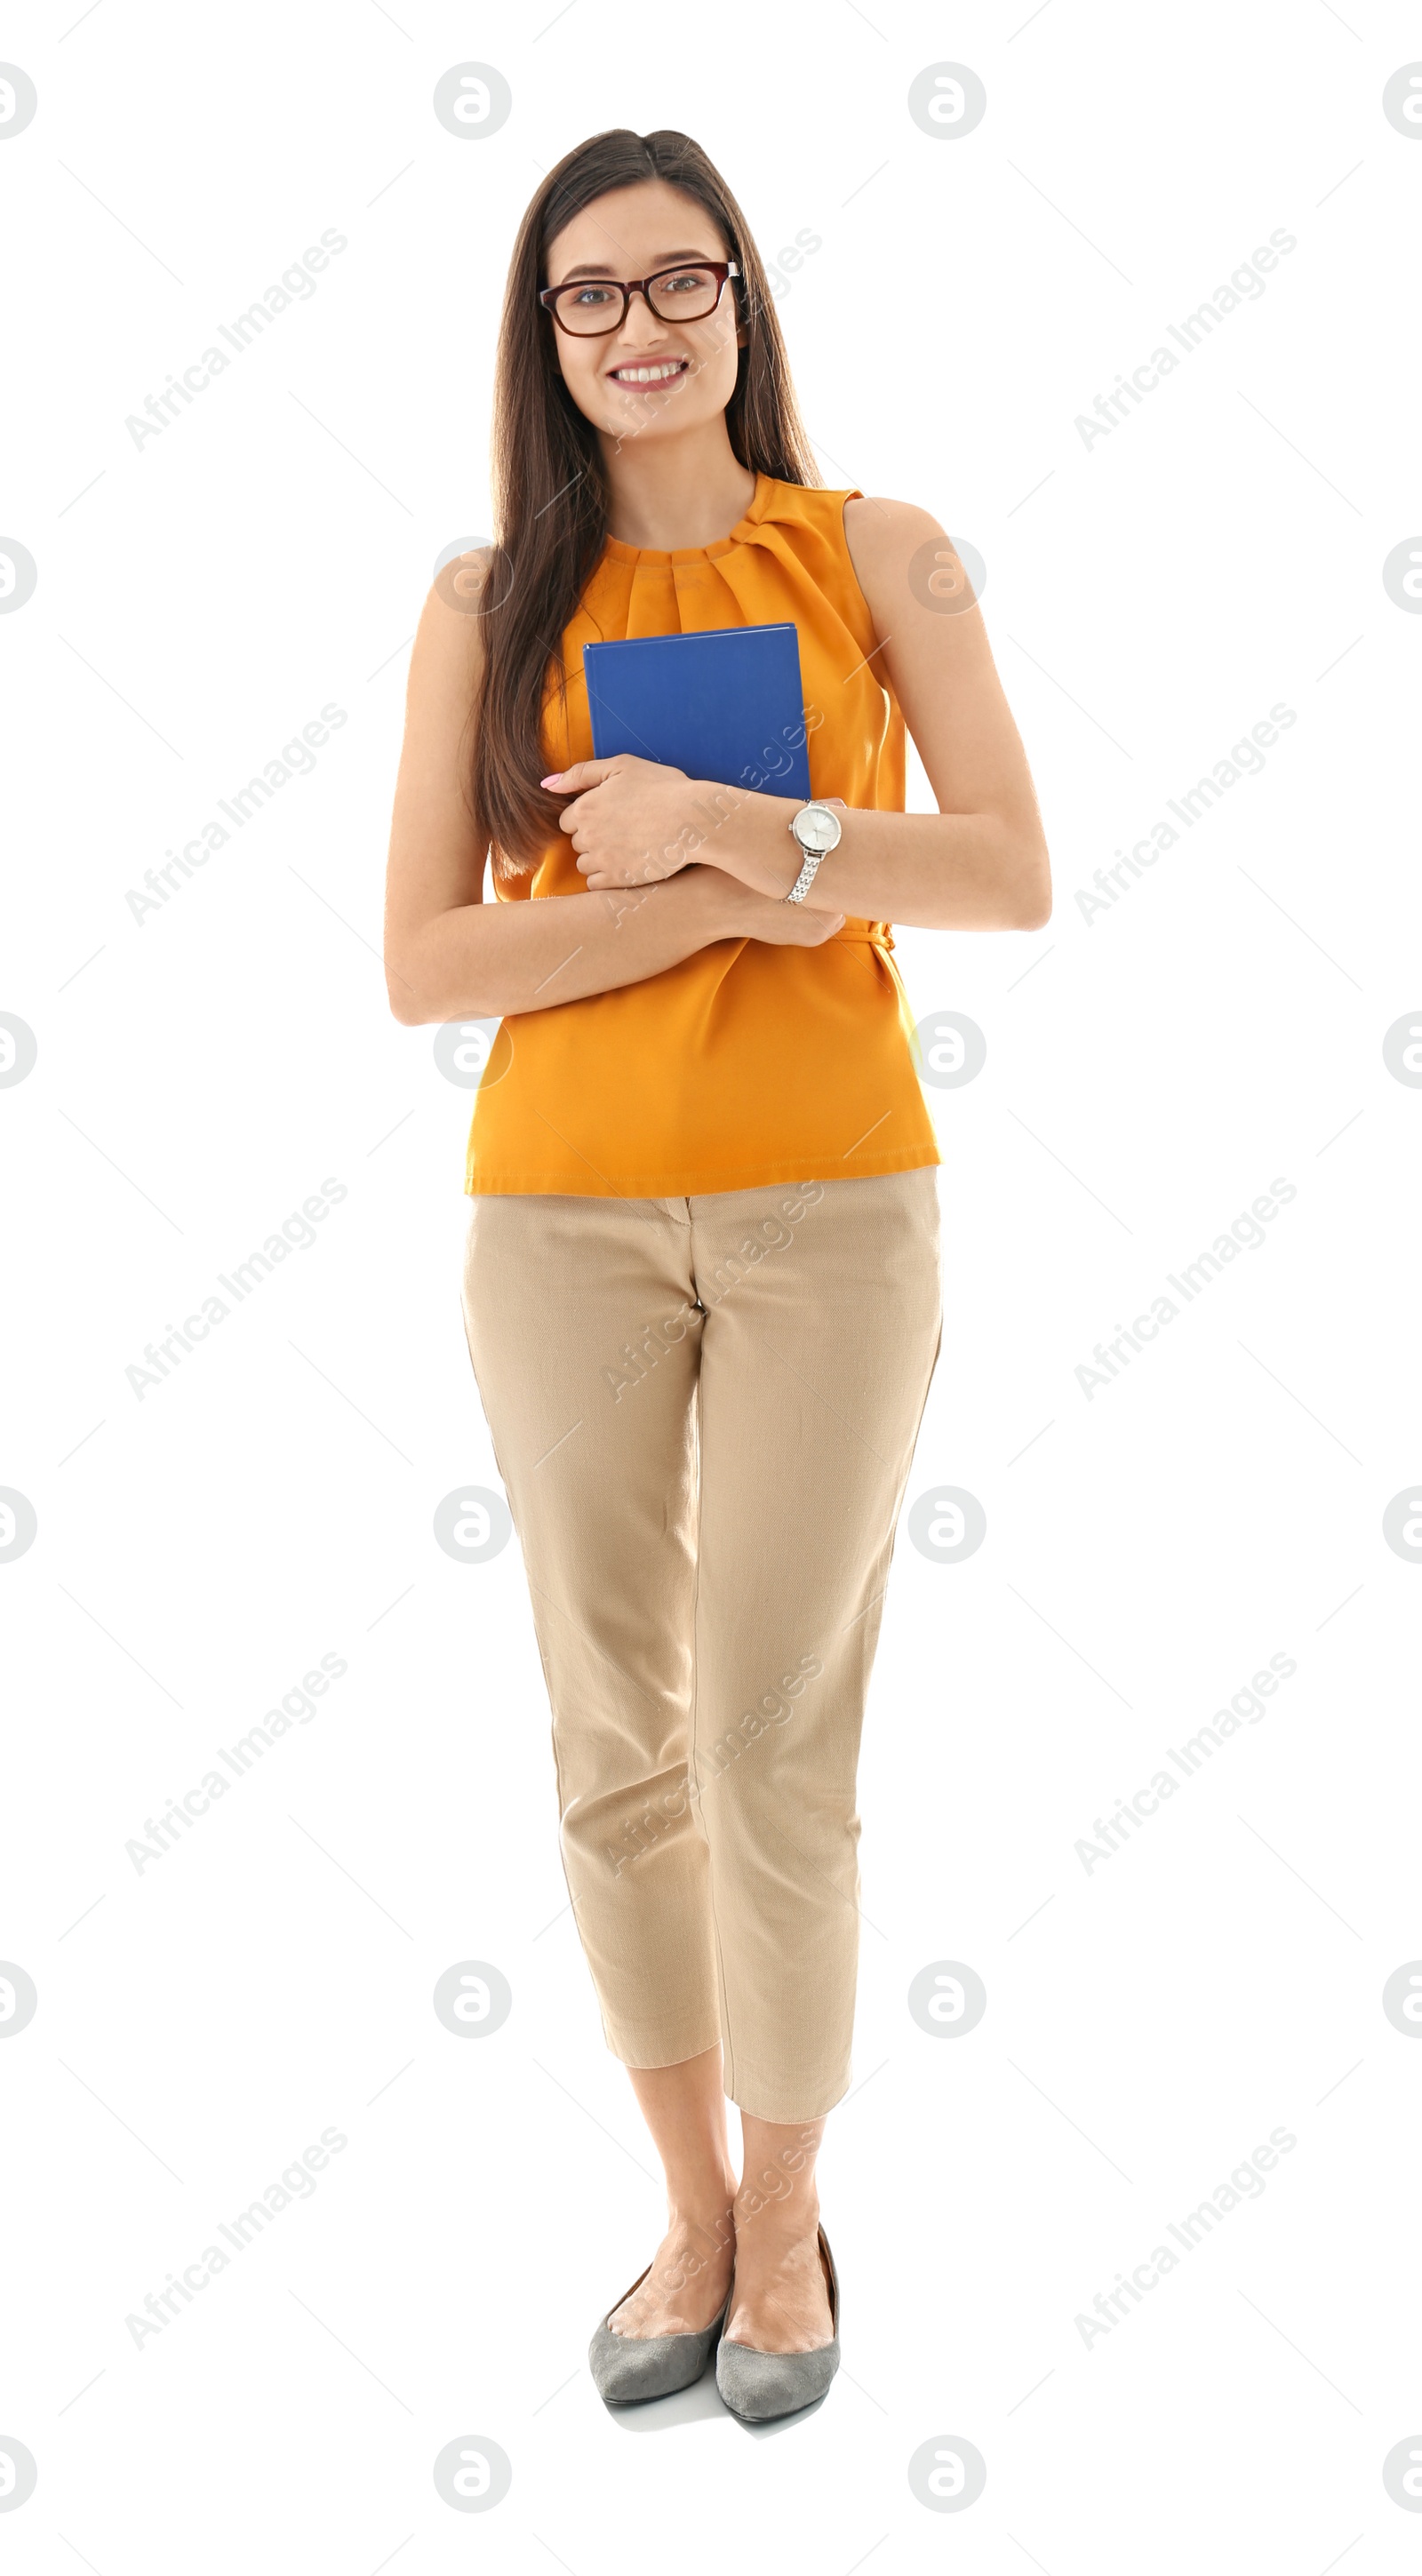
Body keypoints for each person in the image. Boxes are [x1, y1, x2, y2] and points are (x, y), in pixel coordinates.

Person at [383, 125, 1051, 2423]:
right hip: (554, 1217)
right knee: (607, 1738)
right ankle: (681, 2197)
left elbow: (1006, 872)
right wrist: (724, 889)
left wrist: (750, 830)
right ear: (542, 336)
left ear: (746, 301)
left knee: (773, 1737)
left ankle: (788, 2214)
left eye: (685, 278)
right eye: (591, 293)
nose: (643, 323)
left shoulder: (884, 550)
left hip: (830, 1211)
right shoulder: (485, 604)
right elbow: (423, 961)